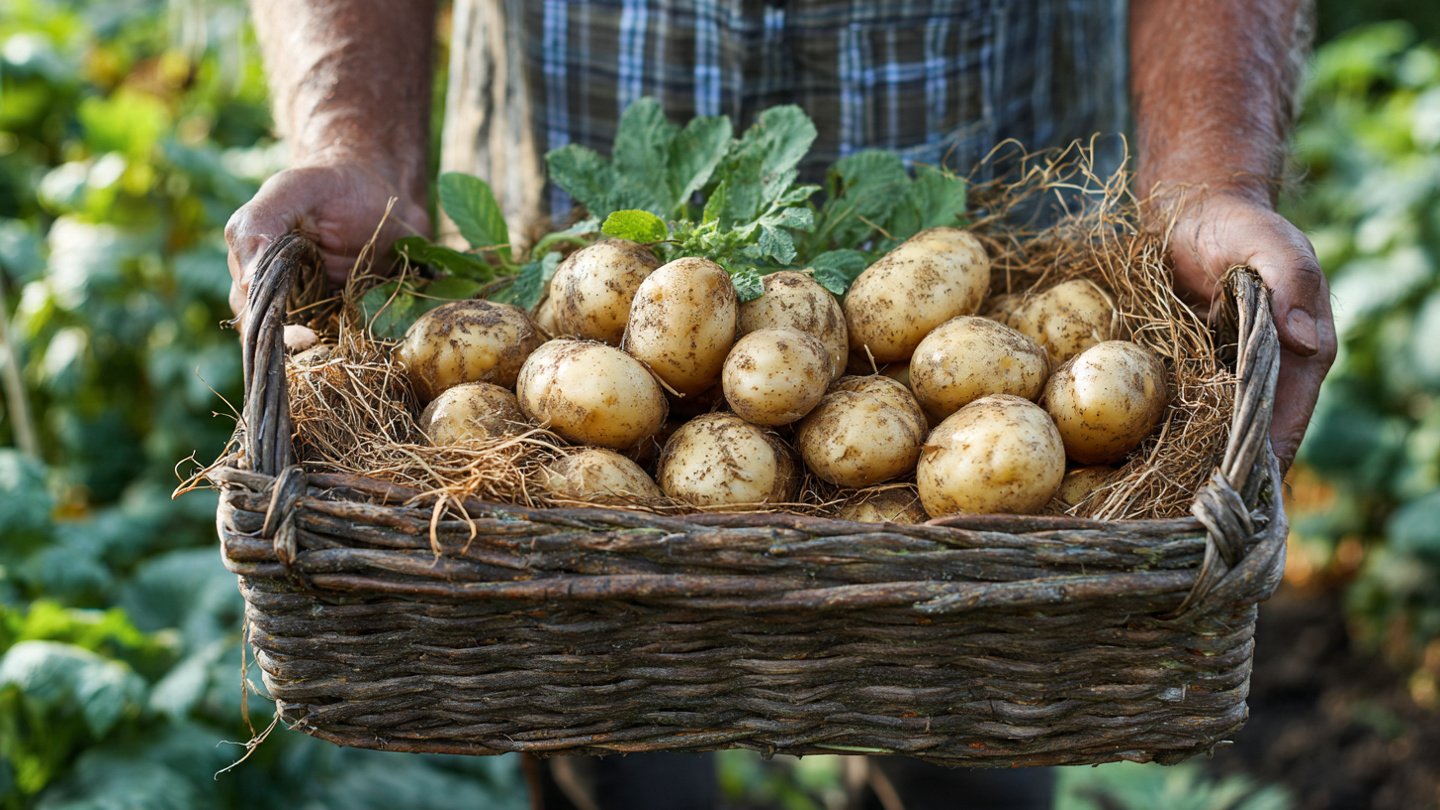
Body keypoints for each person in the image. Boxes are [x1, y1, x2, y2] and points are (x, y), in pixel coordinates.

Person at [224, 2, 1335, 807]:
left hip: (991, 173)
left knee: (980, 716)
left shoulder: (968, 335)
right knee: (591, 706)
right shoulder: (588, 333)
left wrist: (1214, 176)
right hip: (573, 199)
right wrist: (351, 137)